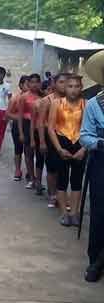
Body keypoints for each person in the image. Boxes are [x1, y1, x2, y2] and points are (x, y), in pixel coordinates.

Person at [47, 75, 86, 227]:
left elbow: (91, 129)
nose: (73, 90)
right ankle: (64, 213)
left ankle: (74, 213)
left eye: (77, 86)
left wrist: (83, 149)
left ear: (81, 88)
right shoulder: (56, 103)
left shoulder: (86, 104)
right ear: (64, 87)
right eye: (70, 86)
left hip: (80, 143)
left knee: (77, 181)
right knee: (62, 180)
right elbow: (51, 128)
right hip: (61, 143)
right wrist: (58, 149)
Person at [80, 50, 104, 282]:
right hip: (101, 162)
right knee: (99, 214)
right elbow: (84, 136)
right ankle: (95, 260)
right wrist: (99, 142)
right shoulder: (94, 105)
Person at [36, 73, 69, 207]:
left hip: (67, 138)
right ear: (54, 84)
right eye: (61, 82)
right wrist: (42, 142)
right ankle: (52, 195)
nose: (64, 85)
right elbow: (40, 122)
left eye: (67, 82)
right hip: (51, 138)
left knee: (64, 169)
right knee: (52, 168)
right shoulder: (47, 100)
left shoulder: (70, 100)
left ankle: (62, 195)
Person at [17, 73, 43, 191]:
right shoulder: (24, 97)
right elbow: (20, 116)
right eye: (32, 82)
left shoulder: (43, 96)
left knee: (40, 154)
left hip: (40, 127)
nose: (34, 84)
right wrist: (21, 133)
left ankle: (38, 180)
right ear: (28, 83)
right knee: (29, 153)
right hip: (27, 126)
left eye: (37, 82)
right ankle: (32, 178)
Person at [6, 75, 29, 180]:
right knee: (18, 149)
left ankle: (30, 171)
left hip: (31, 127)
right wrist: (20, 118)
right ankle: (18, 170)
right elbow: (8, 114)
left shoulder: (36, 98)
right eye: (27, 84)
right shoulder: (15, 98)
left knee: (29, 150)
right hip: (17, 126)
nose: (29, 86)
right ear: (20, 85)